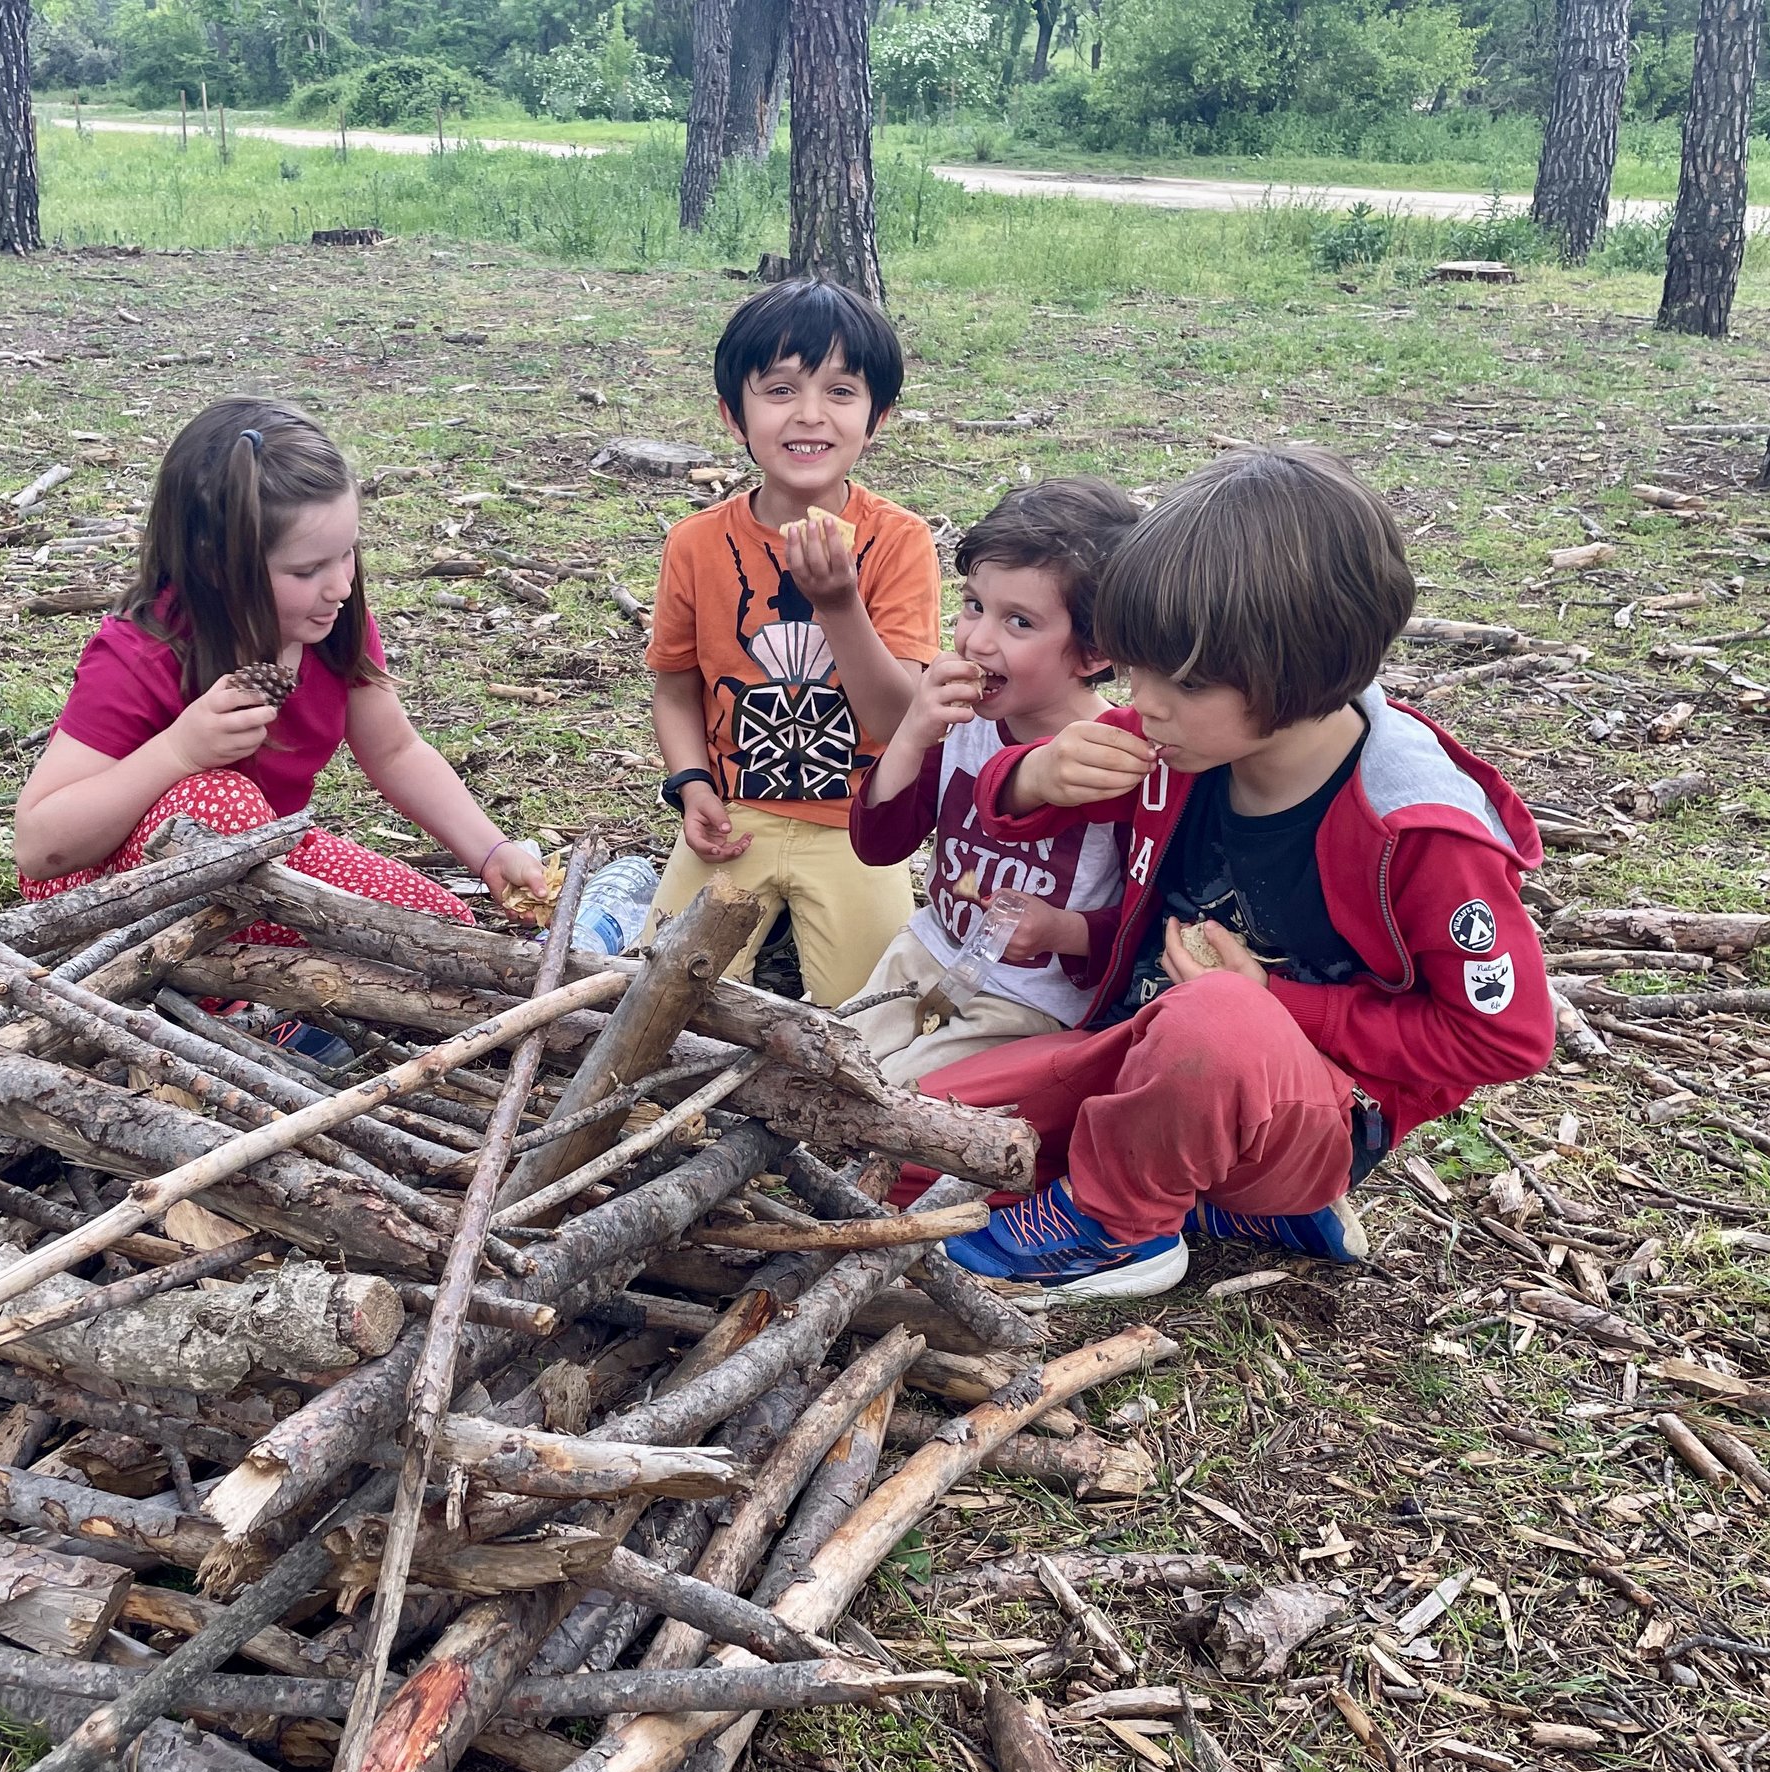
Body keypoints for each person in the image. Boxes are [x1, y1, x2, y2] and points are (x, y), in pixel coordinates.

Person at [926, 445, 1555, 1297]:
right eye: (1136, 663)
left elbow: (1505, 1036)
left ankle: (1121, 1227)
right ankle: (1222, 1206)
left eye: (1179, 678)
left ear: (1295, 670)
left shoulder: (1420, 833)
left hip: (1304, 1113)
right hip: (1130, 1059)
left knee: (1215, 1019)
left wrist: (1273, 1001)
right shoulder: (1180, 740)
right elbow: (1012, 806)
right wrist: (1034, 774)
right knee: (915, 1136)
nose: (1140, 698)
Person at [14, 399, 550, 1058]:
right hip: (115, 905)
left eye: (347, 553)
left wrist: (492, 853)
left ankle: (281, 1005)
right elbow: (40, 848)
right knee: (225, 809)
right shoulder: (144, 651)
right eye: (307, 570)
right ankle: (228, 1015)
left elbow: (396, 749)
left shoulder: (328, 625)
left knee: (439, 931)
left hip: (263, 874)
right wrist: (178, 750)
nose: (342, 585)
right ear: (217, 563)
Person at [645, 277, 942, 1009]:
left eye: (842, 392)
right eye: (779, 389)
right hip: (732, 819)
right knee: (653, 993)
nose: (810, 415)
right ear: (732, 413)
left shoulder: (899, 542)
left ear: (878, 418)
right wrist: (691, 786)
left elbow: (896, 720)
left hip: (855, 824)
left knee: (881, 1014)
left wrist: (839, 603)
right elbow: (675, 683)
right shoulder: (696, 544)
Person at [844, 478, 1139, 1086]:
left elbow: (1147, 918)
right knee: (827, 1060)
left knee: (900, 1098)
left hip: (1028, 1001)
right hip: (928, 950)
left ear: (1093, 653)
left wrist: (1063, 930)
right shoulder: (961, 721)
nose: (977, 640)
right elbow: (879, 845)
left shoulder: (1116, 757)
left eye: (1020, 622)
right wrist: (913, 730)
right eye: (975, 604)